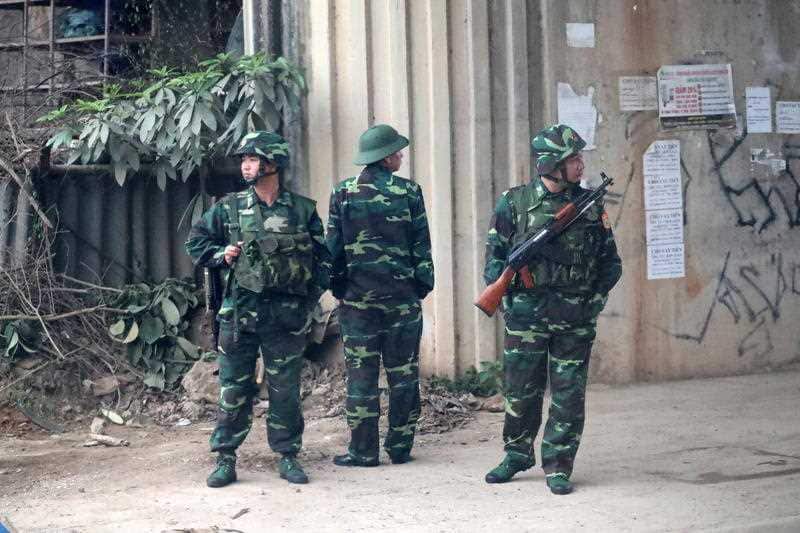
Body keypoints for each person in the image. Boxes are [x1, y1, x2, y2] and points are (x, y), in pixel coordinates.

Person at [185, 131, 330, 487]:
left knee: (285, 390)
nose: (246, 166)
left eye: (252, 159)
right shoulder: (229, 208)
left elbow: (323, 261)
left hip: (286, 317)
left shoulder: (302, 209)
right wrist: (223, 255)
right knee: (233, 390)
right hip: (240, 315)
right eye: (244, 160)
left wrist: (307, 301)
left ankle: (288, 455)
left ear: (272, 163)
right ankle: (225, 458)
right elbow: (196, 243)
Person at [482, 124, 622, 494]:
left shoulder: (589, 208)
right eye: (573, 158)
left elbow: (611, 264)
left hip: (574, 319)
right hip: (526, 318)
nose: (580, 165)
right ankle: (516, 455)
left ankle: (558, 465)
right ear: (551, 165)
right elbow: (494, 262)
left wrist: (591, 303)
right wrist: (508, 298)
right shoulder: (513, 202)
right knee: (520, 390)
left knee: (568, 394)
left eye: (579, 157)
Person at [326, 124, 434, 467]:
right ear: (386, 157)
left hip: (358, 305)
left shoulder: (342, 192)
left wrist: (342, 289)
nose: (401, 155)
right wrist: (419, 288)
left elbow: (334, 251)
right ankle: (400, 448)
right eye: (398, 151)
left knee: (361, 377)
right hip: (402, 303)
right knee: (403, 375)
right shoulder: (409, 192)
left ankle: (363, 451)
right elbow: (422, 249)